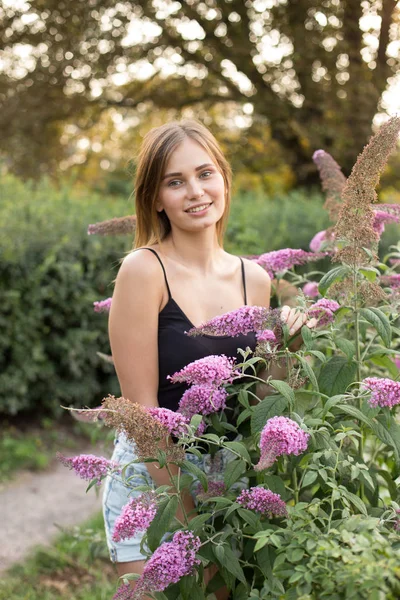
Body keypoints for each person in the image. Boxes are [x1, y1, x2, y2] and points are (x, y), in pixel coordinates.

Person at [102, 119, 312, 593]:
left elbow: (257, 400)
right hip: (154, 482)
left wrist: (288, 350)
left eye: (205, 174)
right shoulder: (143, 270)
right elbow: (140, 415)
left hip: (226, 481)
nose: (195, 192)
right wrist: (190, 524)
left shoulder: (254, 279)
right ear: (156, 198)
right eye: (175, 182)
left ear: (223, 178)